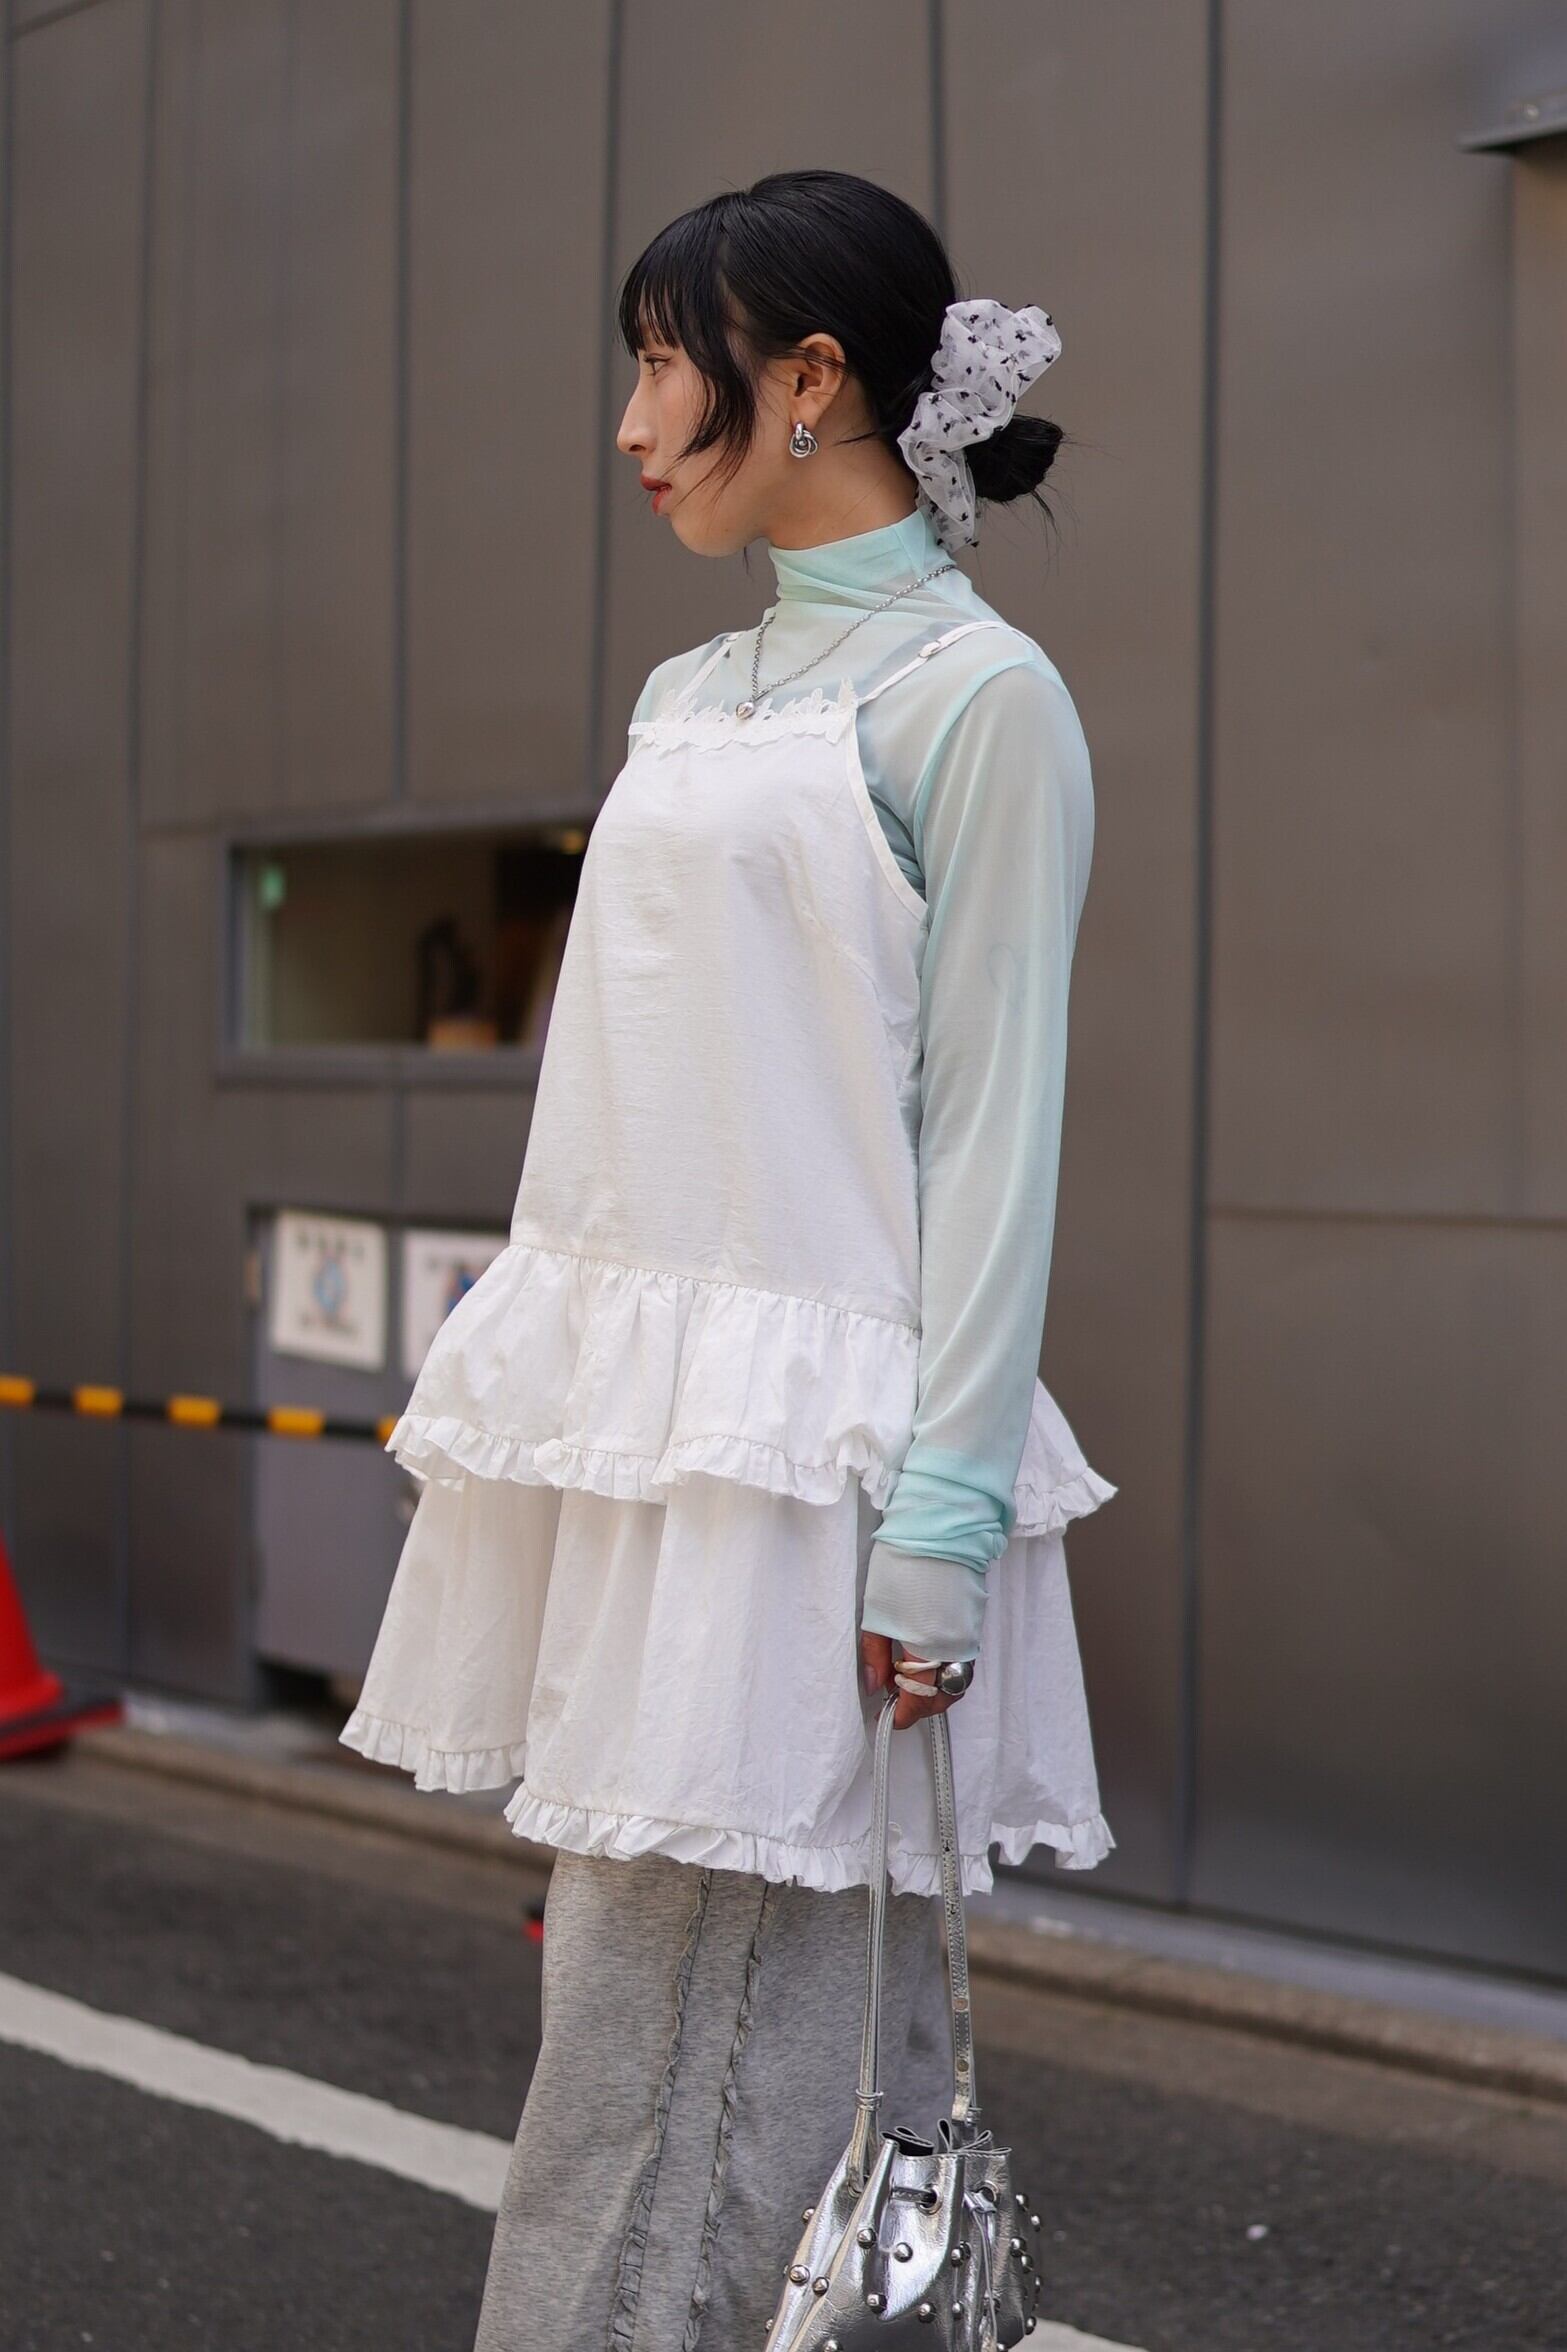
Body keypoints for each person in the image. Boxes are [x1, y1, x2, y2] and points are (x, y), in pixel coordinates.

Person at [341, 167, 1117, 2348]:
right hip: (664, 1447)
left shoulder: (981, 697)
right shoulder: (689, 692)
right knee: (632, 2041)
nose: (628, 423)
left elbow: (997, 1137)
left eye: (661, 366)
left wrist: (942, 1526)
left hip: (823, 1472)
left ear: (808, 380)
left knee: (714, 2068)